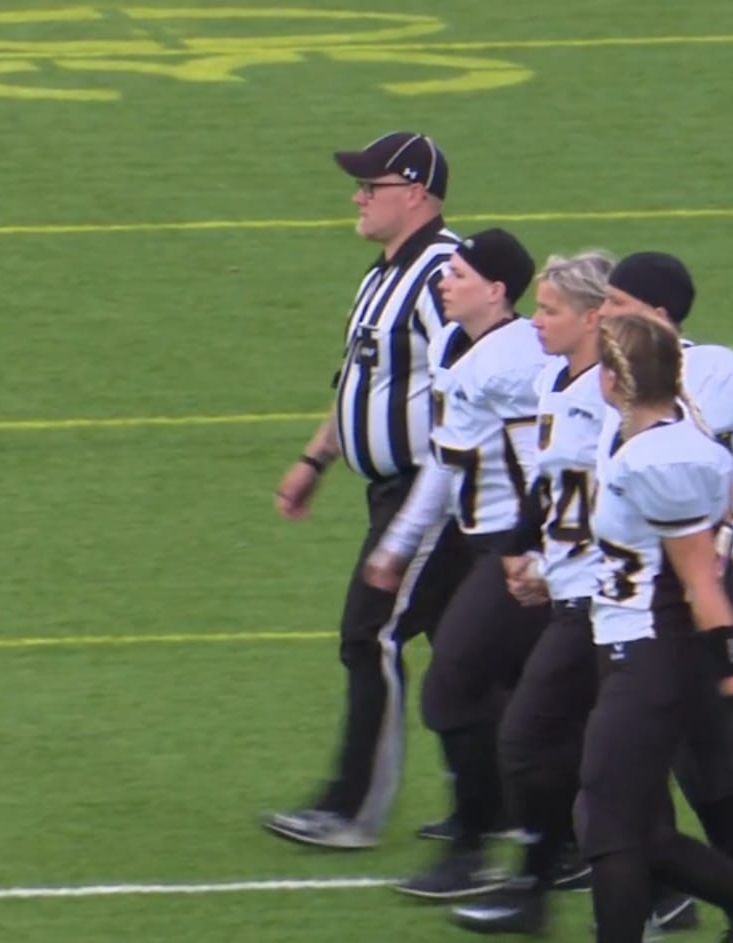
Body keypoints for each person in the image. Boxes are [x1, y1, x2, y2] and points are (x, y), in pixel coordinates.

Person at [574, 311, 733, 943]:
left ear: (614, 380)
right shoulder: (650, 440)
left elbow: (701, 581)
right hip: (631, 646)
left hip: (650, 654)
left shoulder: (664, 457)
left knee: (608, 824)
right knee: (636, 828)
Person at [263, 131, 472, 850]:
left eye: (370, 186)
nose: (357, 198)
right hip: (390, 489)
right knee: (470, 655)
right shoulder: (381, 275)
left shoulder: (446, 275)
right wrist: (315, 459)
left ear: (414, 194)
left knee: (369, 634)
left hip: (430, 493)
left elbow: (472, 390)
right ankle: (504, 804)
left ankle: (353, 809)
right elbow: (361, 383)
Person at [364, 229, 556, 898]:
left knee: (452, 687)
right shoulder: (454, 343)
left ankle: (477, 847)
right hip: (483, 542)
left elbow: (544, 468)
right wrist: (398, 545)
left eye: (460, 274)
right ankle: (562, 842)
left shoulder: (514, 359)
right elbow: (446, 463)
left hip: (517, 550)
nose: (444, 282)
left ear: (497, 290)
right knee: (533, 702)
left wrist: (534, 552)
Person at [448, 249, 618, 935]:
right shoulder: (552, 377)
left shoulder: (618, 394)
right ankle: (546, 882)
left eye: (549, 310)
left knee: (547, 739)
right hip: (569, 587)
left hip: (608, 597)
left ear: (593, 316)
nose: (535, 321)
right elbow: (549, 481)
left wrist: (552, 560)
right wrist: (525, 549)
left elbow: (621, 493)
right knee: (559, 739)